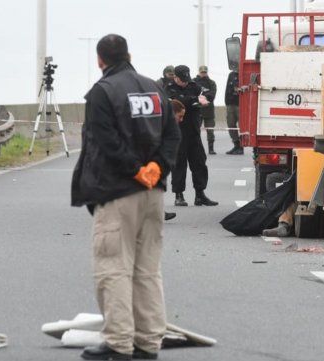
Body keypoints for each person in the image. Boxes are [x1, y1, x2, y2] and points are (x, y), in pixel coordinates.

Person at [71, 34, 181, 360]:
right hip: (153, 193)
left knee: (113, 266)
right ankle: (148, 341)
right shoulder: (156, 88)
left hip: (118, 192)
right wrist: (156, 169)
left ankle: (118, 342)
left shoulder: (102, 93)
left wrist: (135, 170)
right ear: (129, 55)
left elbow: (104, 142)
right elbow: (172, 135)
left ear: (100, 60)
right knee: (148, 268)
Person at [167, 65, 218, 207]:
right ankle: (179, 195)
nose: (185, 82)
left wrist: (204, 98)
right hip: (178, 133)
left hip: (194, 132)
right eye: (182, 80)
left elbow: (208, 93)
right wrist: (194, 100)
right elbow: (177, 102)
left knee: (199, 163)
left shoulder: (194, 86)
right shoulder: (170, 88)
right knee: (179, 165)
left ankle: (200, 195)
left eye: (186, 79)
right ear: (175, 77)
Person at [193, 65, 217, 155]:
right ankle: (196, 148)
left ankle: (211, 148)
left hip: (209, 111)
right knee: (195, 131)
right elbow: (192, 94)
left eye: (205, 72)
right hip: (197, 110)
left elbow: (212, 95)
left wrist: (203, 97)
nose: (203, 74)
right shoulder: (193, 82)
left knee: (210, 131)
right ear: (199, 72)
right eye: (202, 72)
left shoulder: (212, 83)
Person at [225, 70, 243, 155]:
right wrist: (227, 102)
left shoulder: (244, 72)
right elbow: (228, 88)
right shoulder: (231, 74)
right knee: (231, 125)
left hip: (240, 104)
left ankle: (241, 146)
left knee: (242, 126)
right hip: (230, 103)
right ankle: (236, 144)